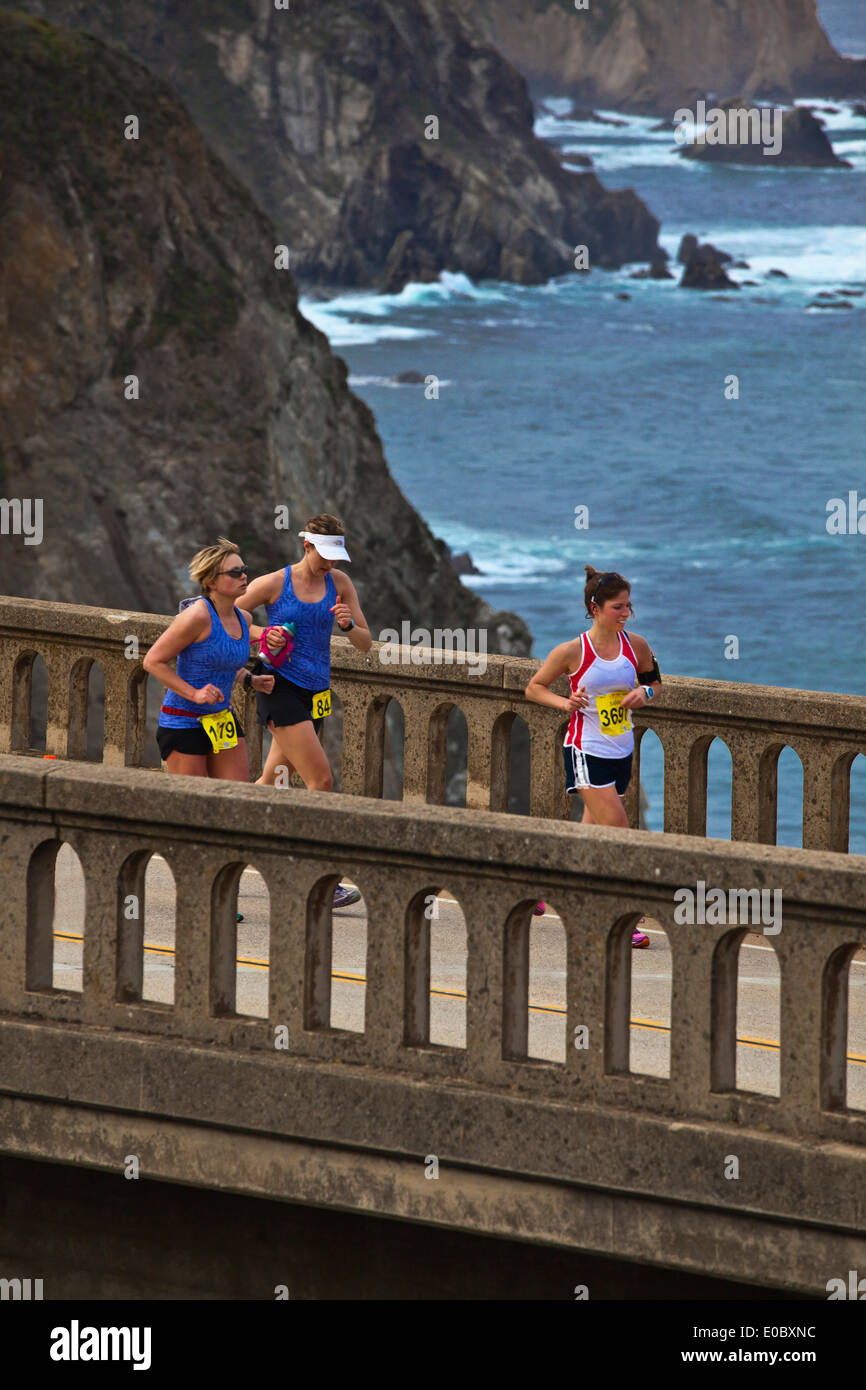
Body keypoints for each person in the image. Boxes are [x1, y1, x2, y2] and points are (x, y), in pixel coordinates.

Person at [237, 514, 372, 910]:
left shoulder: (340, 584)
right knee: (322, 780)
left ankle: (215, 833)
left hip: (315, 694)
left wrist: (348, 626)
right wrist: (263, 633)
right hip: (277, 687)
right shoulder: (276, 582)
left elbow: (365, 644)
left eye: (336, 555)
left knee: (272, 782)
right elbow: (224, 617)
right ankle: (321, 882)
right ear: (306, 546)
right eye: (324, 554)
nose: (330, 563)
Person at [524, 566, 661, 949]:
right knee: (619, 832)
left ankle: (540, 887)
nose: (625, 614)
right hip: (585, 750)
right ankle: (622, 916)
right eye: (618, 607)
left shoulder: (637, 645)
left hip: (622, 750)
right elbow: (533, 688)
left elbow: (655, 682)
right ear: (595, 607)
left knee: (590, 834)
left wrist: (644, 695)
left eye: (628, 607)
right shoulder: (572, 651)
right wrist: (565, 702)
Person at [143, 539, 279, 779]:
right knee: (193, 806)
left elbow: (221, 662)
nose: (243, 577)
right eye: (235, 573)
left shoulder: (244, 619)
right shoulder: (197, 616)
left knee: (236, 798)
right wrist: (194, 694)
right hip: (184, 721)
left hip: (221, 719)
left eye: (244, 570)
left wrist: (250, 680)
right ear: (211, 582)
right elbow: (152, 661)